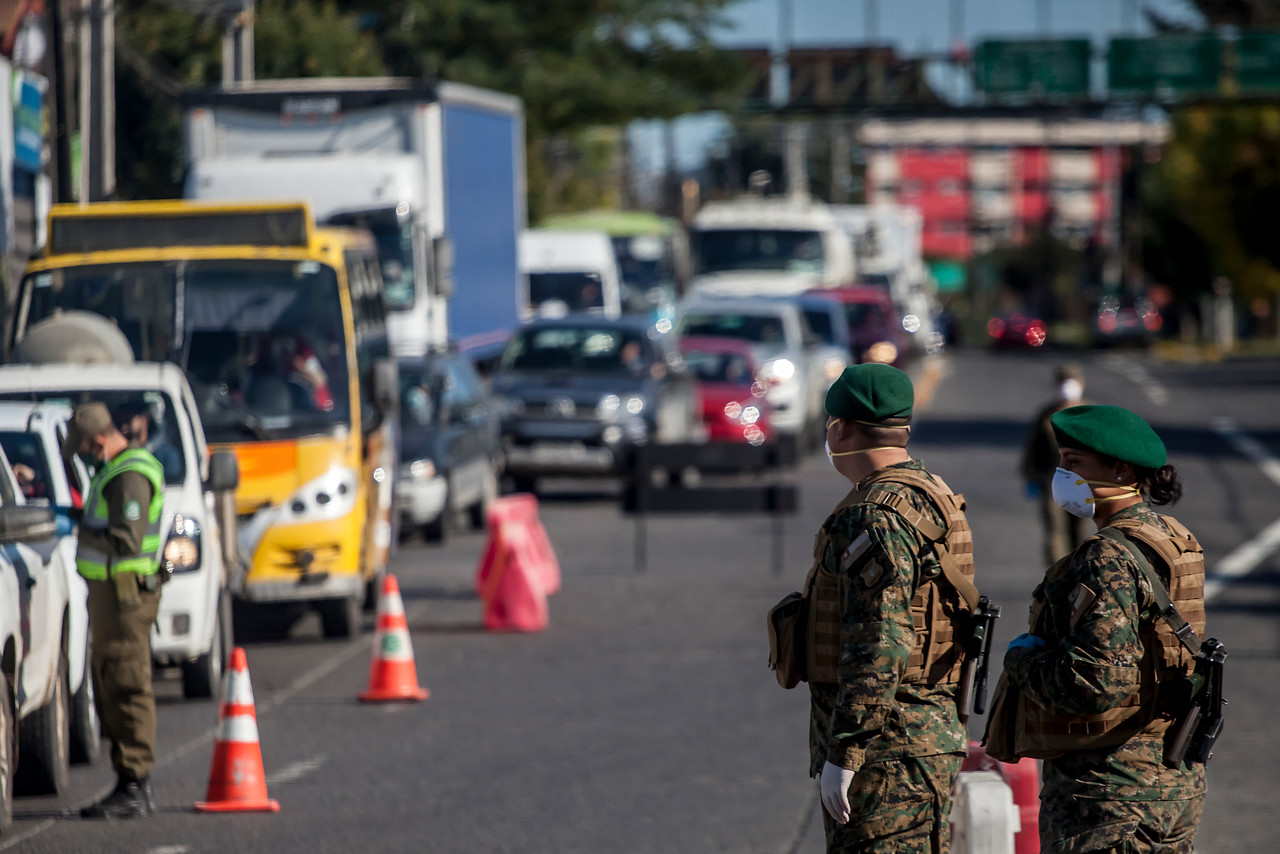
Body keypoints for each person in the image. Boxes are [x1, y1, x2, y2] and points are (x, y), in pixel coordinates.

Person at [996, 404, 1206, 853]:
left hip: (1108, 794)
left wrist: (1021, 658)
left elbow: (1095, 685)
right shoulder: (1174, 537)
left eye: (1074, 464)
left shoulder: (1105, 556)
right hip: (1172, 778)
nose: (1063, 475)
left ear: (1121, 469)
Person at [804, 363, 978, 853]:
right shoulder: (931, 493)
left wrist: (846, 752)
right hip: (925, 736)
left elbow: (879, 642)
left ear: (840, 428)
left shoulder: (874, 517)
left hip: (887, 751)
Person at [66, 402, 166, 819]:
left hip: (126, 598)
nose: (87, 457)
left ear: (99, 441)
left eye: (87, 449)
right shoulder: (116, 468)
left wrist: (78, 526)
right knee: (113, 681)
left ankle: (134, 784)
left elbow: (126, 539)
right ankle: (129, 781)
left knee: (127, 683)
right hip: (113, 597)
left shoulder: (128, 476)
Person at [1020, 362, 1088, 564]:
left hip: (1085, 484)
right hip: (1053, 481)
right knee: (1055, 533)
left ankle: (1081, 575)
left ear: (1081, 384)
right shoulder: (1047, 415)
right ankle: (1057, 578)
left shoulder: (1091, 413)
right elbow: (1033, 448)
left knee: (1081, 533)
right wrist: (1030, 476)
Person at [114, 398, 183, 483]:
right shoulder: (117, 453)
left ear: (144, 419)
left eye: (128, 420)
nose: (123, 428)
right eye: (119, 422)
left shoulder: (166, 455)